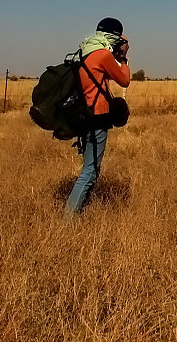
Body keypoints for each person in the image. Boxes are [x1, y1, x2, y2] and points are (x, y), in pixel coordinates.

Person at [65, 17, 131, 214]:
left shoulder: (85, 51)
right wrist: (123, 58)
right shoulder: (102, 55)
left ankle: (81, 210)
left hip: (83, 115)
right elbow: (124, 80)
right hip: (97, 117)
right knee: (89, 171)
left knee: (91, 168)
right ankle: (68, 221)